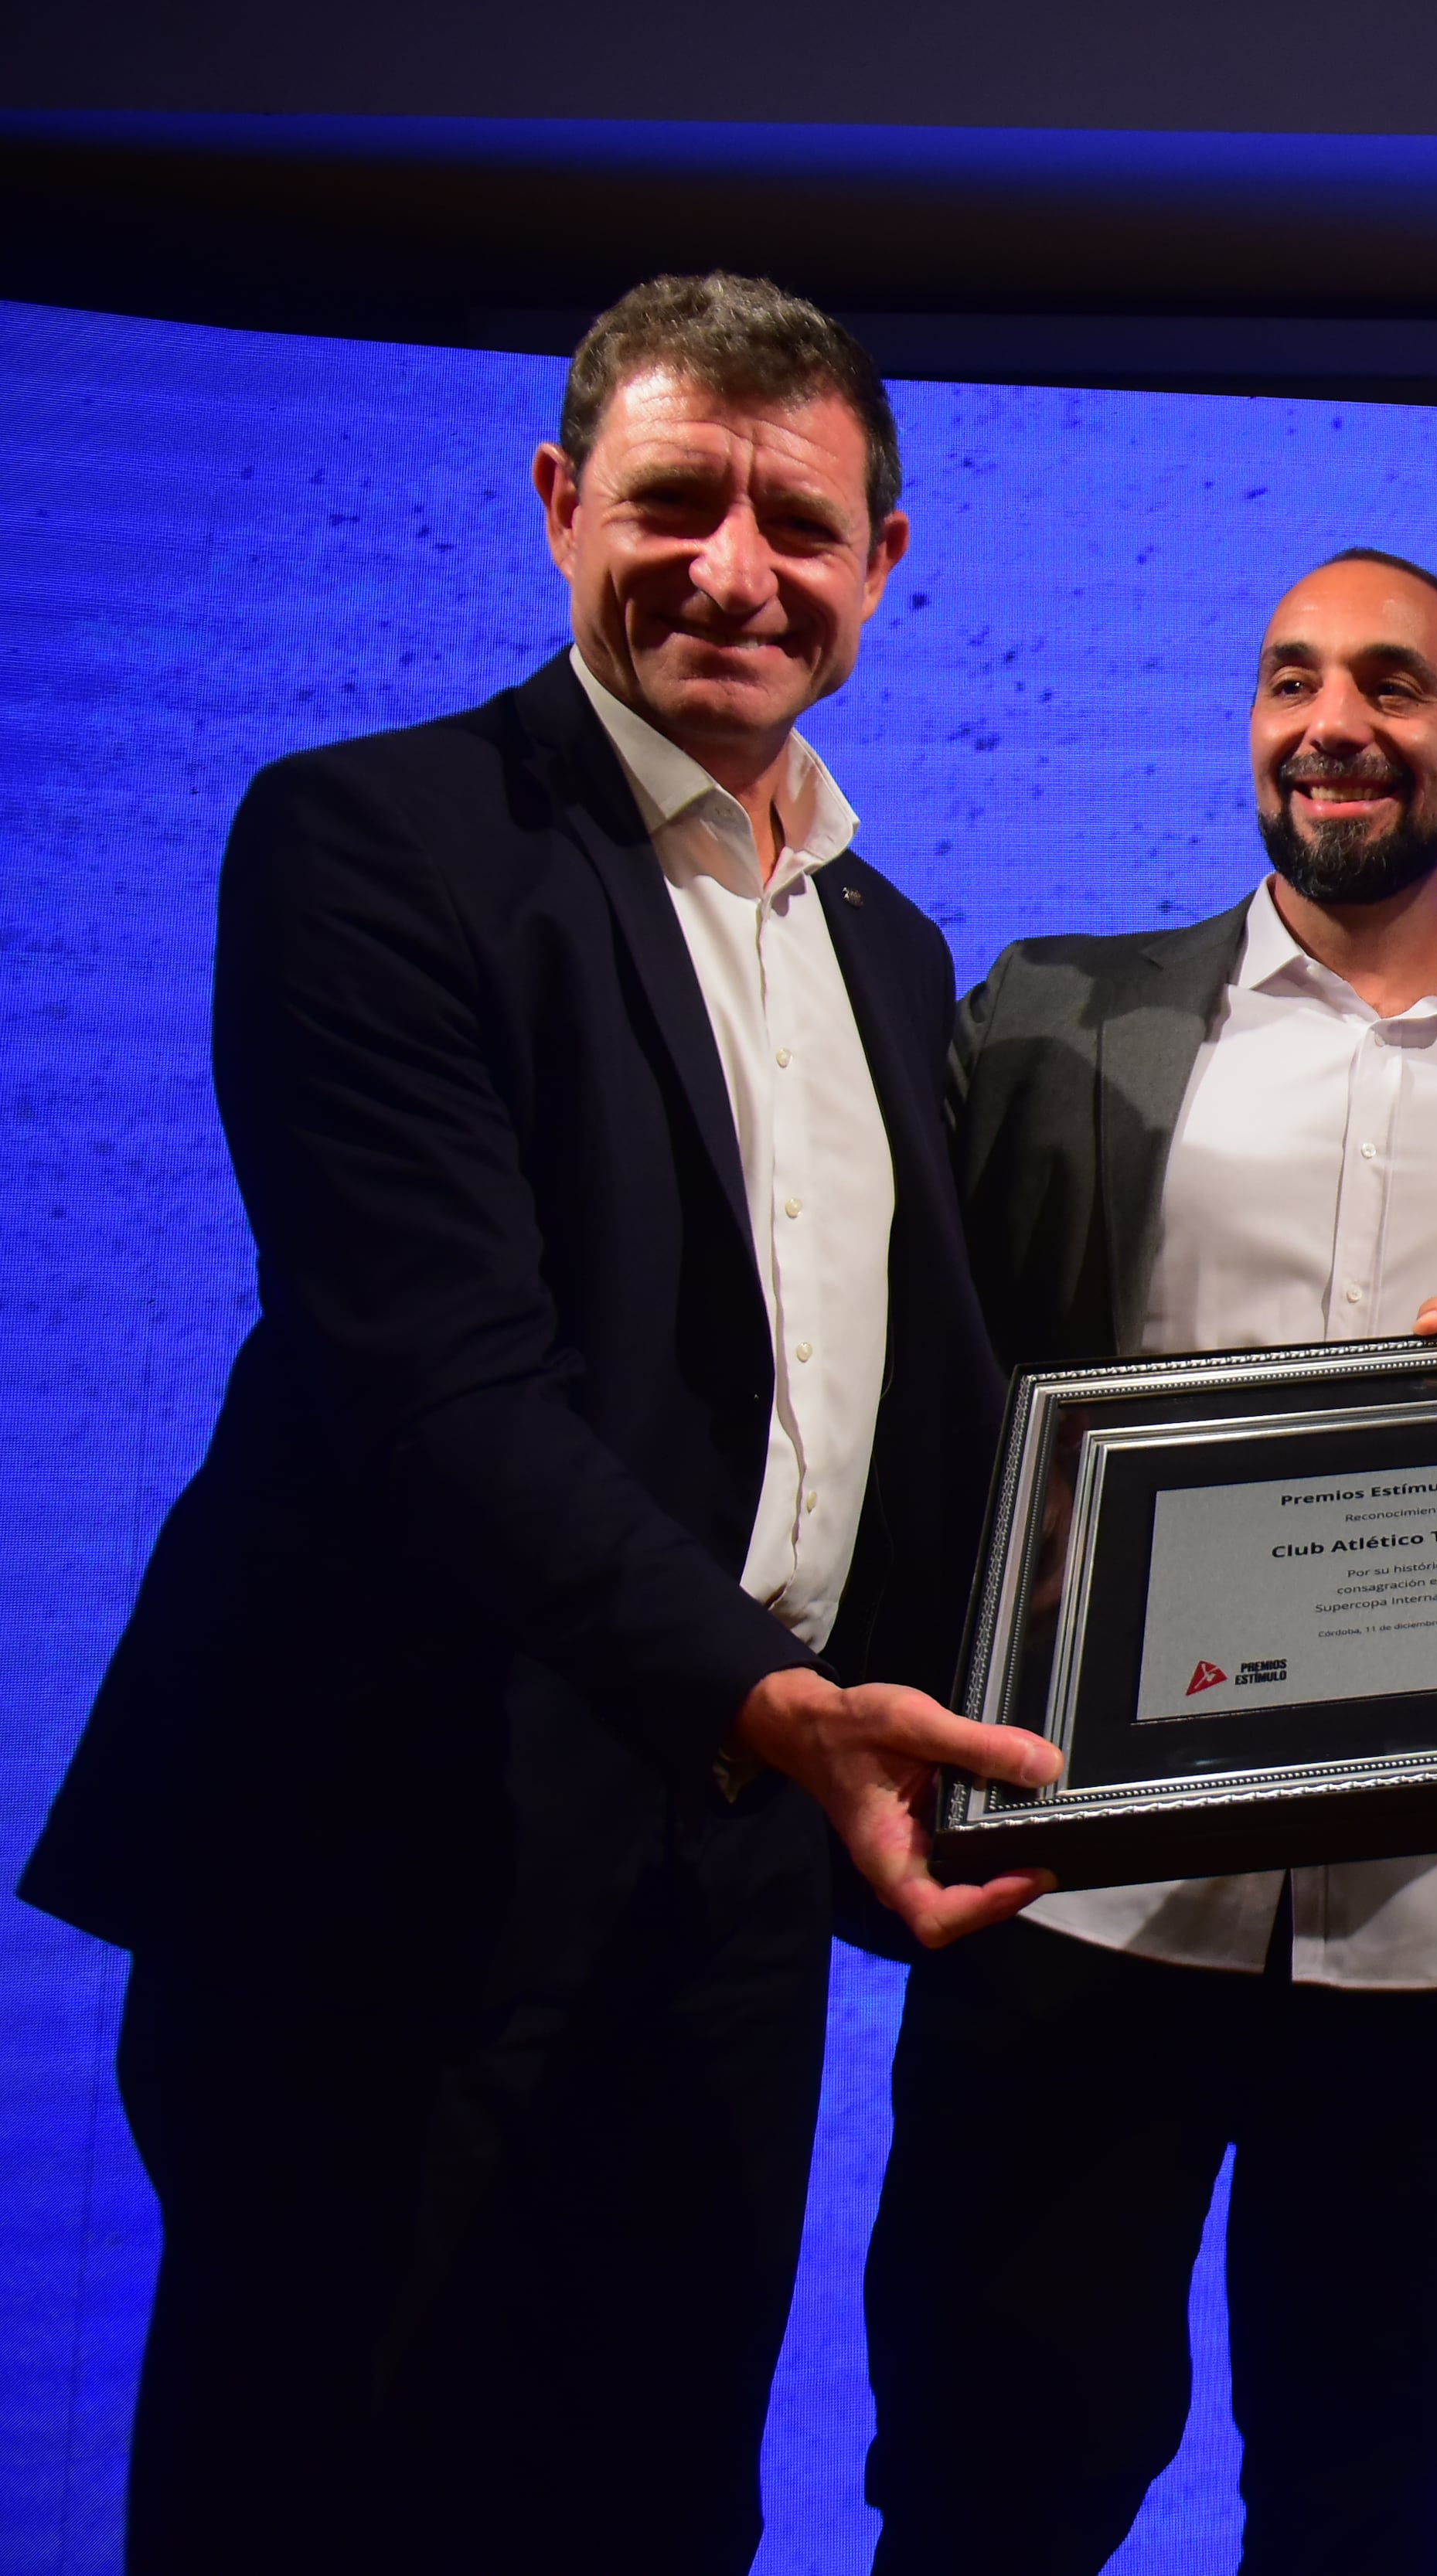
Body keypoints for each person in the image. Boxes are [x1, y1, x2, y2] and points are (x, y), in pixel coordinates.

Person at [14, 273, 1061, 2574]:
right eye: (673, 501)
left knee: (656, 2489)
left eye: (799, 521)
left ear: (884, 558)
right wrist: (776, 1702)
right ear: (559, 505)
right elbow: (434, 1376)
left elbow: (906, 1402)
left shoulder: (885, 938)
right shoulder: (372, 841)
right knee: (321, 2496)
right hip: (387, 1863)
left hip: (732, 1881)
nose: (733, 569)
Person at [862, 548, 1437, 2575]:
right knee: (987, 2488)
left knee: (1366, 2502)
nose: (1337, 722)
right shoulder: (1050, 1017)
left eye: (1394, 685)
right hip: (1077, 1895)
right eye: (1293, 677)